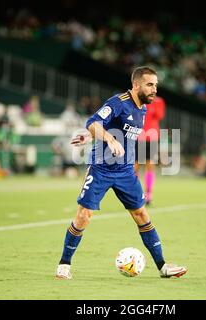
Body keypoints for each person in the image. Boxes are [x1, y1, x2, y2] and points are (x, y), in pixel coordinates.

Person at [55, 66, 187, 279]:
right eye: (150, 85)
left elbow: (117, 129)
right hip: (101, 169)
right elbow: (93, 122)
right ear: (136, 85)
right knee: (83, 216)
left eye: (156, 85)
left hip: (125, 171)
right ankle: (64, 264)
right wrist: (107, 138)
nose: (154, 89)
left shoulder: (143, 109)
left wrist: (91, 137)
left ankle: (163, 267)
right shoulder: (118, 102)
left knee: (142, 214)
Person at [134, 95, 166, 206]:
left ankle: (148, 194)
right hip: (139, 136)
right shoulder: (137, 99)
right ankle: (135, 194)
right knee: (135, 166)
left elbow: (159, 115)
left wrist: (151, 103)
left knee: (150, 165)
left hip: (152, 136)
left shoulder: (158, 101)